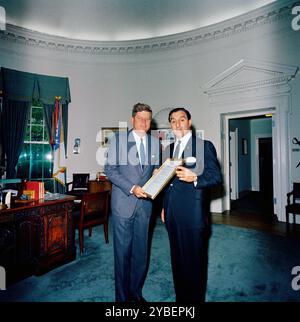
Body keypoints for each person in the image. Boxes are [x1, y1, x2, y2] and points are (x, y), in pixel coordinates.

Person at [161, 107, 222, 302]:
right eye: (173, 121)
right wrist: (164, 206)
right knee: (177, 259)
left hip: (193, 213)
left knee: (194, 261)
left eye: (181, 119)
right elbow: (165, 183)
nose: (177, 124)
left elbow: (215, 177)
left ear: (189, 122)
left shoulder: (204, 146)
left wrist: (195, 177)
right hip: (171, 212)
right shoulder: (168, 150)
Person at [105, 103, 160, 302]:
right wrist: (132, 188)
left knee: (140, 253)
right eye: (140, 118)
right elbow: (110, 170)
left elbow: (153, 171)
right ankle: (121, 299)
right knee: (122, 254)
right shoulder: (118, 140)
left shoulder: (155, 143)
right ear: (132, 120)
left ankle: (136, 293)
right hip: (123, 204)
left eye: (148, 119)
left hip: (145, 207)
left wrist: (157, 173)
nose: (144, 123)